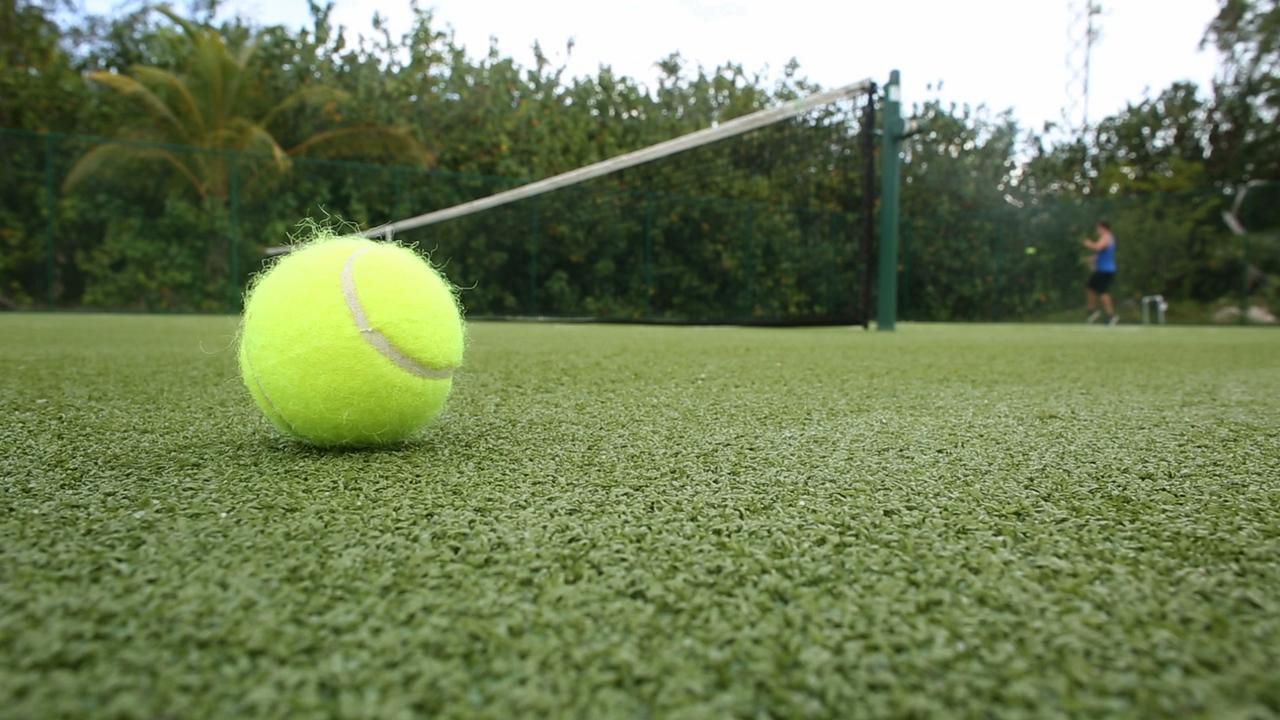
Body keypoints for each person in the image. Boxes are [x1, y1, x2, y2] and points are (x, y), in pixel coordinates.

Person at [1083, 220, 1118, 325]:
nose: (1097, 231)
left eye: (1098, 228)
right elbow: (1103, 252)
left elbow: (1098, 247)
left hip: (1106, 270)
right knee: (1090, 287)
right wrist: (1094, 259)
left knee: (1103, 292)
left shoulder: (1107, 237)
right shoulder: (1108, 237)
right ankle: (1093, 311)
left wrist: (1089, 244)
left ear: (1103, 228)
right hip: (1103, 270)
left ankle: (1110, 316)